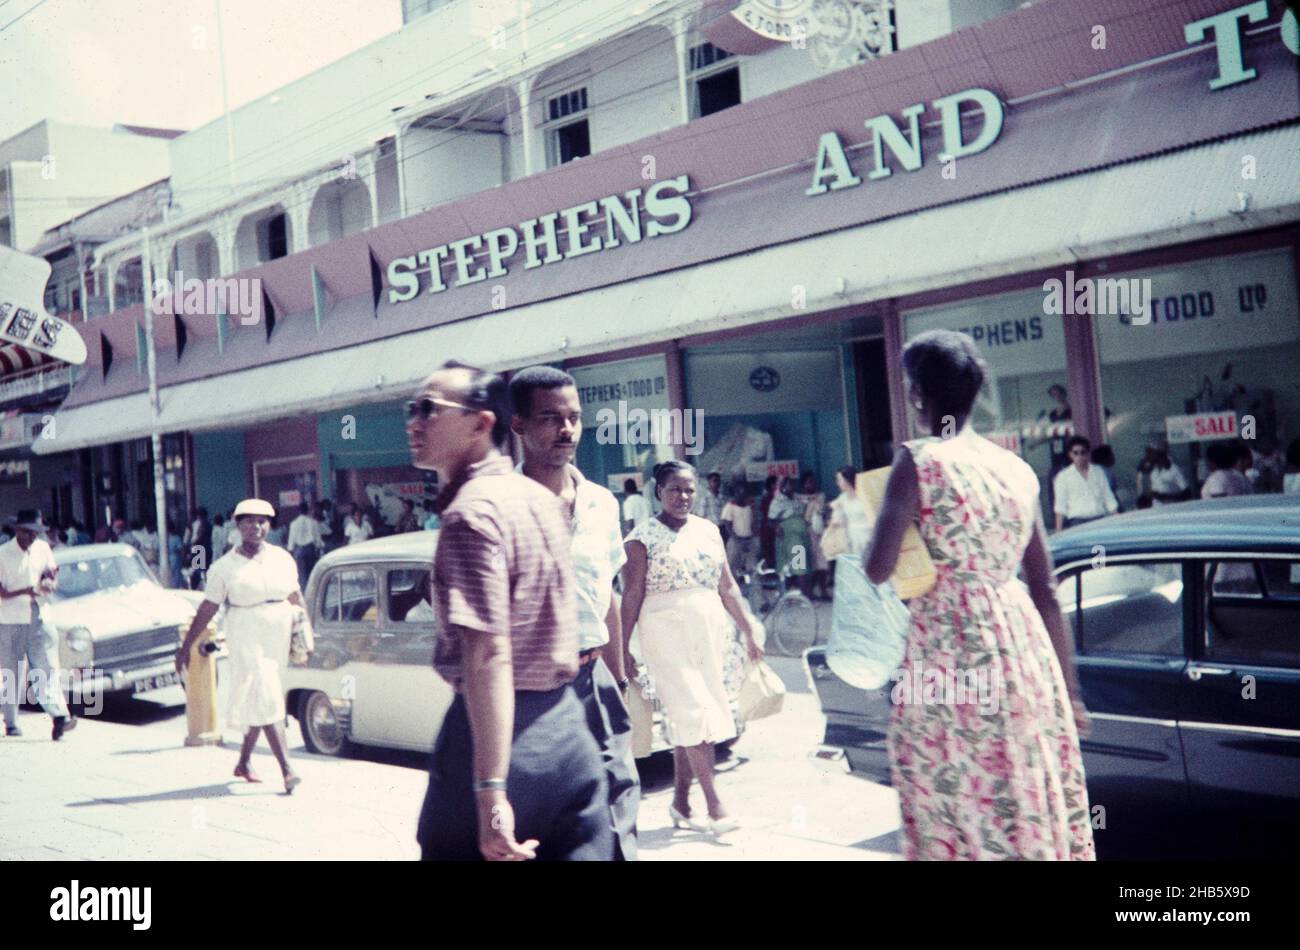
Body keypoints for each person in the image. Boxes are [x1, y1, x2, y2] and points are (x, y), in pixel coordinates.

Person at [866, 329, 1094, 860]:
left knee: (953, 784)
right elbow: (1047, 590)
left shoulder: (917, 461)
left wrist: (867, 520)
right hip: (1021, 647)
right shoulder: (1015, 468)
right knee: (1015, 780)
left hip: (948, 644)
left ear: (919, 394)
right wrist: (1072, 692)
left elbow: (879, 568)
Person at [409, 360, 611, 862]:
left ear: (482, 424)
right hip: (569, 735)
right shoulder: (538, 500)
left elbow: (489, 655)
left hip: (498, 741)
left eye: (429, 410)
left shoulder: (471, 514)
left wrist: (492, 791)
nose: (414, 423)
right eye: (412, 409)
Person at [510, 364, 641, 861]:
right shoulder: (500, 506)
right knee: (545, 821)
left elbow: (606, 593)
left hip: (597, 678)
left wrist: (619, 676)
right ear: (518, 425)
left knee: (619, 798)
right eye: (550, 418)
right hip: (530, 691)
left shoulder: (601, 503)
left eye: (574, 417)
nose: (566, 430)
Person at [621, 460, 764, 835]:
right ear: (658, 492)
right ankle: (716, 807)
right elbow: (631, 596)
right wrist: (622, 649)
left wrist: (749, 628)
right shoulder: (641, 538)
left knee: (696, 712)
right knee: (694, 710)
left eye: (689, 489)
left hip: (708, 628)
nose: (683, 497)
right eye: (674, 489)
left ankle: (682, 803)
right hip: (664, 630)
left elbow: (728, 586)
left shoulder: (708, 531)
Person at [176, 499, 304, 794]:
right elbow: (208, 608)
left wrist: (306, 631)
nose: (256, 527)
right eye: (249, 521)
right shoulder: (224, 567)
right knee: (266, 692)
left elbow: (296, 596)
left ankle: (244, 761)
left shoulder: (282, 558)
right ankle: (287, 769)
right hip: (246, 632)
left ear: (269, 526)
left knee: (260, 697)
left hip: (279, 633)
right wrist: (186, 647)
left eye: (262, 521)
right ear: (238, 525)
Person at [0, 511, 77, 740]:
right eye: (26, 532)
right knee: (12, 672)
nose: (30, 537)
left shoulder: (43, 548)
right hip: (10, 618)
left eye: (34, 533)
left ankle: (59, 717)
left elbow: (51, 571)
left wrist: (49, 582)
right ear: (16, 530)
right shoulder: (3, 555)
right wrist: (27, 591)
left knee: (45, 667)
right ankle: (11, 722)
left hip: (38, 614)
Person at [1053, 435, 1118, 531]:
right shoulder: (1063, 477)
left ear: (1088, 454)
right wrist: (1058, 531)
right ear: (1070, 455)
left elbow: (1108, 498)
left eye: (1083, 452)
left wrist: (1117, 518)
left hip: (1100, 519)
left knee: (1100, 546)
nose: (1080, 456)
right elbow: (1060, 507)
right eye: (1076, 453)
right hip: (1078, 522)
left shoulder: (1098, 472)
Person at [768, 476, 810, 587]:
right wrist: (776, 528)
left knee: (801, 566)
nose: (792, 486)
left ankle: (803, 597)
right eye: (789, 484)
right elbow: (771, 521)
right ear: (782, 487)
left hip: (800, 537)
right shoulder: (777, 502)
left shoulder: (796, 499)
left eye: (792, 484)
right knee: (791, 567)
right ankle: (795, 596)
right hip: (788, 538)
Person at [795, 471, 830, 600]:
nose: (811, 484)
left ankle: (823, 591)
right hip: (805, 534)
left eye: (813, 482)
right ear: (803, 484)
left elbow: (824, 512)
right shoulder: (798, 498)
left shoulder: (820, 497)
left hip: (819, 534)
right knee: (807, 565)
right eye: (809, 482)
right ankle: (808, 593)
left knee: (822, 564)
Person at [828, 465, 873, 558]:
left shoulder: (864, 495)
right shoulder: (842, 498)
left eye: (839, 480)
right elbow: (837, 517)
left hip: (868, 536)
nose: (838, 483)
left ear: (847, 479)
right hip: (853, 538)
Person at [1136, 439, 1189, 506]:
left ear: (1159, 454)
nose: (1148, 456)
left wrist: (1164, 497)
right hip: (1157, 511)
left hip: (1172, 509)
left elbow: (1187, 494)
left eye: (1151, 453)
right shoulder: (1153, 471)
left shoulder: (1174, 470)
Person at [720, 486, 758, 579]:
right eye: (740, 493)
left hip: (749, 540)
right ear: (735, 494)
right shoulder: (730, 506)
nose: (742, 495)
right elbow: (728, 526)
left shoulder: (749, 506)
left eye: (744, 493)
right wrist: (738, 540)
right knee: (732, 568)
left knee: (752, 567)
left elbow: (754, 523)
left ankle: (752, 591)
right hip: (735, 541)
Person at [287, 501, 324, 590]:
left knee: (301, 575)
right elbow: (318, 540)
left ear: (298, 511)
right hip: (310, 549)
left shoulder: (293, 524)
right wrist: (319, 549)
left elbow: (291, 543)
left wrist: (290, 552)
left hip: (299, 551)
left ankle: (304, 593)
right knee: (311, 574)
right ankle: (312, 591)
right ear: (307, 510)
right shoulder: (313, 522)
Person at [166, 519, 184, 588]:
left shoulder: (165, 538)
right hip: (175, 558)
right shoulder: (176, 538)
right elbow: (181, 549)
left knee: (171, 576)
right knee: (176, 576)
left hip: (168, 558)